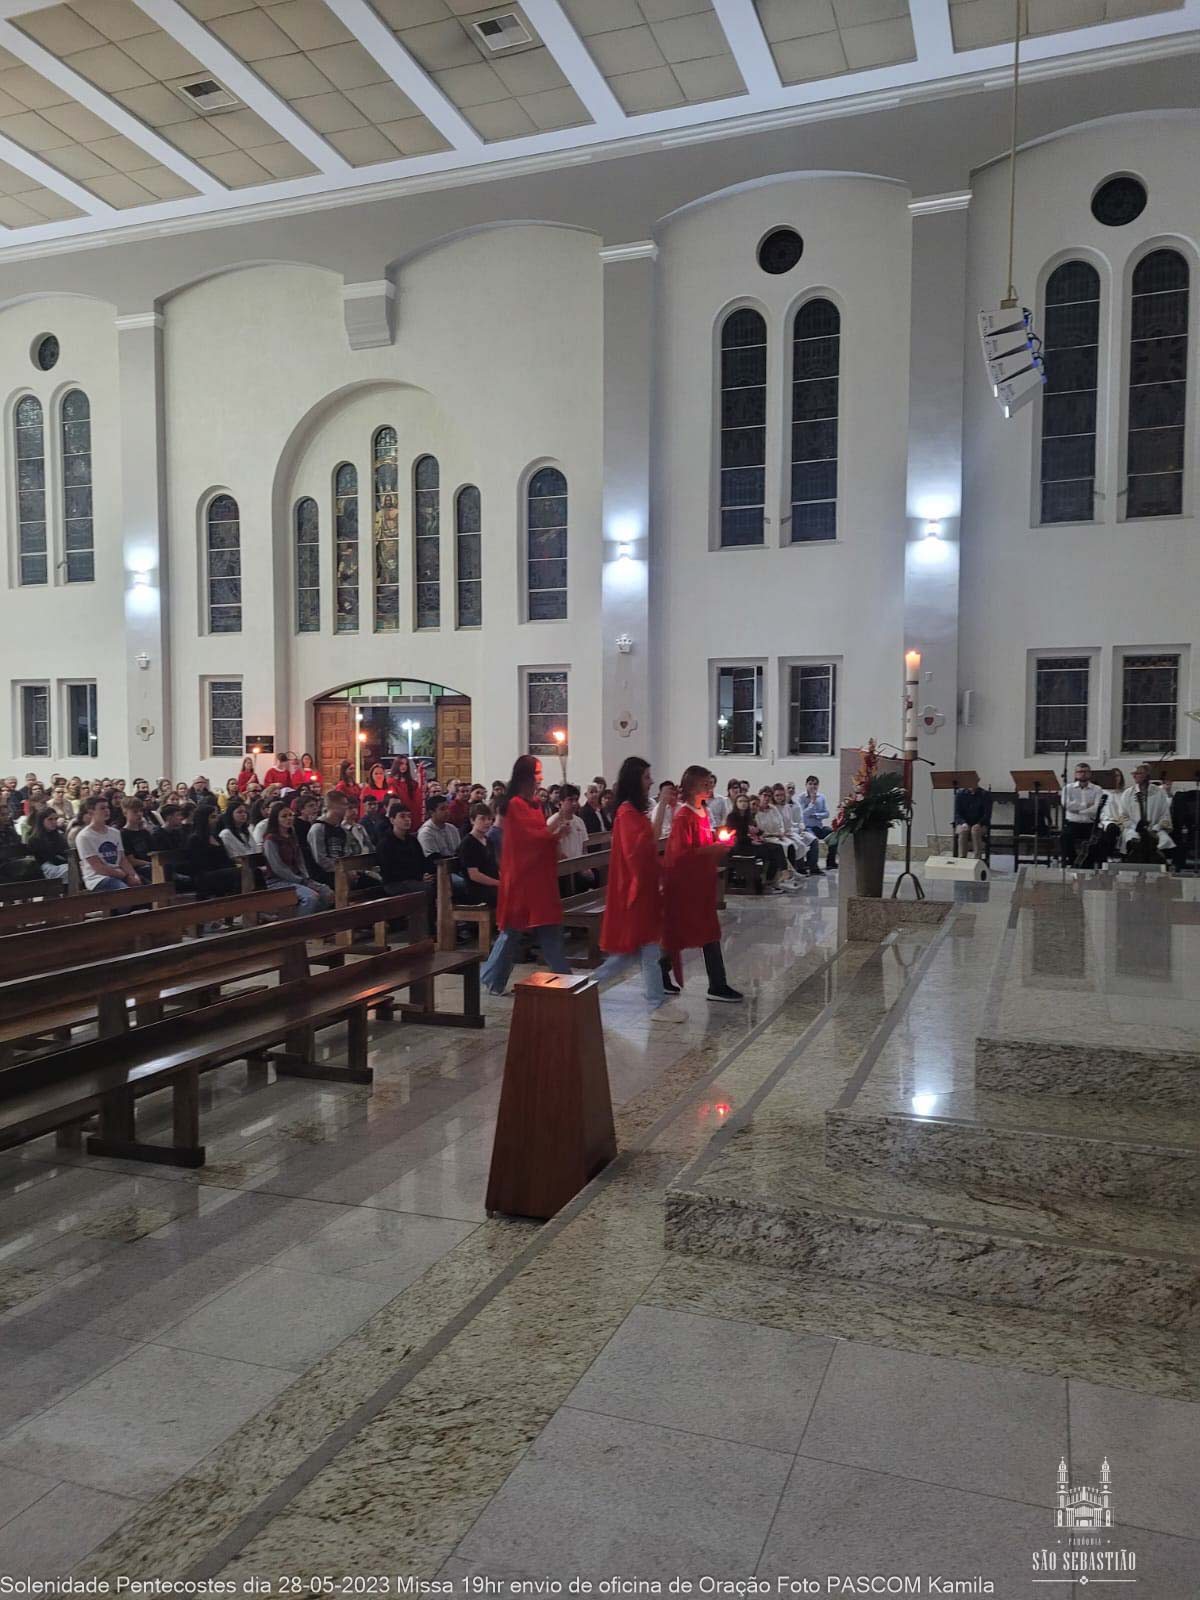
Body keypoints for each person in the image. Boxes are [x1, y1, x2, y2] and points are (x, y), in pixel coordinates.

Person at [593, 757, 685, 1022]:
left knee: (635, 951)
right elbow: (639, 851)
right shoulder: (626, 813)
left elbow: (650, 840)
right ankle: (656, 1003)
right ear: (634, 780)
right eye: (646, 777)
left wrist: (663, 805)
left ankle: (586, 986)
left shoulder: (634, 811)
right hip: (635, 889)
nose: (651, 781)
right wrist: (663, 804)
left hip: (643, 887)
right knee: (646, 947)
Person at [480, 754, 573, 996]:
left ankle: (566, 978)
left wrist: (558, 824)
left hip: (538, 876)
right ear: (526, 776)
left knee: (546, 927)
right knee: (513, 930)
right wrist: (555, 834)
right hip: (522, 877)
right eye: (537, 773)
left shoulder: (535, 804)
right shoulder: (515, 805)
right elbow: (528, 840)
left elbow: (540, 832)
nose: (541, 777)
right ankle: (492, 978)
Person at [661, 765, 741, 1002]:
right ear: (692, 786)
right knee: (684, 932)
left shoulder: (702, 811)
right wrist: (713, 848)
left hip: (701, 884)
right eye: (705, 783)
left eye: (710, 783)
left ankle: (716, 984)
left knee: (706, 932)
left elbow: (703, 844)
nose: (710, 787)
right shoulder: (683, 816)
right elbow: (680, 855)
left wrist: (720, 842)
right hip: (686, 886)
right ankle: (663, 973)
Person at [262, 802, 333, 914]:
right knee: (311, 898)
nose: (289, 818)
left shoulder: (292, 835)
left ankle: (315, 921)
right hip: (277, 881)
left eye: (290, 815)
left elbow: (300, 860)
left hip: (298, 878)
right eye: (284, 816)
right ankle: (298, 923)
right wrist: (300, 880)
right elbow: (278, 868)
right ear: (276, 819)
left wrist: (306, 877)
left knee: (326, 892)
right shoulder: (271, 839)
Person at [75, 796, 141, 893]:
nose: (107, 811)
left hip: (119, 873)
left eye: (107, 807)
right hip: (98, 878)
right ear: (91, 812)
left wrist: (133, 875)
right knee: (125, 892)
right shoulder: (84, 836)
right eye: (102, 808)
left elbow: (122, 859)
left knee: (146, 886)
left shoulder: (115, 832)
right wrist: (126, 876)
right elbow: (98, 868)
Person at [1115, 764, 1174, 862]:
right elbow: (1122, 816)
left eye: (1138, 773)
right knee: (1132, 841)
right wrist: (1136, 828)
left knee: (1163, 841)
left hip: (1155, 829)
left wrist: (1155, 828)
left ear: (1147, 774)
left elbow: (1165, 815)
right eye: (1133, 773)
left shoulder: (1159, 792)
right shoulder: (1128, 793)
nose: (1134, 776)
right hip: (1133, 829)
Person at [183, 805, 241, 898]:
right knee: (238, 874)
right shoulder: (195, 839)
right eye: (213, 817)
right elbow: (197, 864)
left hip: (221, 872)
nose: (217, 820)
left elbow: (225, 858)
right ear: (203, 819)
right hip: (205, 876)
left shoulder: (215, 836)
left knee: (251, 871)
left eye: (216, 816)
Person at [1060, 761, 1104, 867]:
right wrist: (1086, 805)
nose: (1082, 774)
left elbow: (1096, 808)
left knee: (1099, 840)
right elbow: (1066, 805)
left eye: (1085, 772)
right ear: (1075, 774)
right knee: (1064, 837)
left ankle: (1088, 864)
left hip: (1090, 823)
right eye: (1079, 772)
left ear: (1090, 773)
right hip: (1072, 823)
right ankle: (1073, 861)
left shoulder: (1097, 789)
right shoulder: (1068, 788)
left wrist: (1078, 810)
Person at [458, 803, 500, 907]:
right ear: (472, 820)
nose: (487, 822)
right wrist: (498, 883)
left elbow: (494, 867)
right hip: (478, 890)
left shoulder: (488, 841)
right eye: (482, 819)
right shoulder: (468, 843)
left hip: (492, 886)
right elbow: (474, 875)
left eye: (489, 819)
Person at [798, 774, 838, 869]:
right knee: (813, 839)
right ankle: (812, 865)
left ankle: (830, 862)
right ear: (806, 785)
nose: (813, 786)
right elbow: (803, 814)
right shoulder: (801, 798)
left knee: (834, 834)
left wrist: (816, 815)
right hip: (807, 828)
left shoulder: (821, 797)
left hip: (819, 827)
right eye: (810, 784)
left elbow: (826, 813)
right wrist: (812, 802)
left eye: (815, 784)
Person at [27, 806, 71, 882]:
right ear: (41, 821)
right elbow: (50, 857)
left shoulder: (58, 834)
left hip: (62, 863)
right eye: (50, 819)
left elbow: (66, 851)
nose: (54, 822)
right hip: (47, 867)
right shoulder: (34, 839)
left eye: (56, 819)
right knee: (70, 870)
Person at [953, 776, 992, 859]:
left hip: (981, 824)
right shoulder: (960, 794)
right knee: (963, 831)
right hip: (963, 823)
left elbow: (987, 814)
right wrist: (963, 823)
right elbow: (957, 814)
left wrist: (979, 823)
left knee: (975, 830)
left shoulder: (984, 794)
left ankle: (977, 858)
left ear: (977, 781)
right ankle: (962, 858)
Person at [418, 796, 461, 863]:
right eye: (442, 809)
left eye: (447, 808)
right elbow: (433, 860)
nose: (447, 811)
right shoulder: (426, 833)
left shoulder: (452, 828)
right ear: (431, 812)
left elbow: (460, 851)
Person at [389, 754, 425, 828]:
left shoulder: (412, 783)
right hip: (399, 812)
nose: (404, 766)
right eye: (401, 764)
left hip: (411, 811)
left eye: (406, 764)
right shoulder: (391, 781)